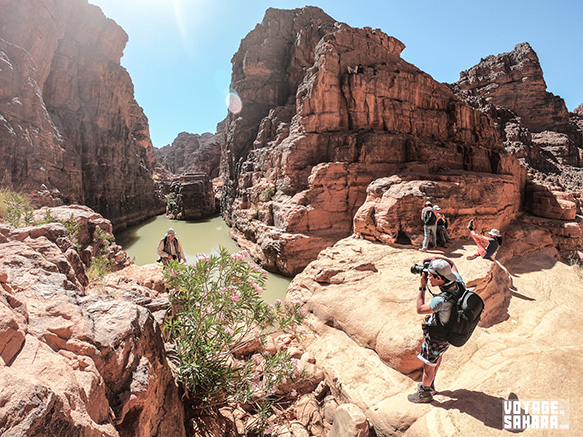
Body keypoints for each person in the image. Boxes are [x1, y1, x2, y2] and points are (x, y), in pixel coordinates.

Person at [408, 257, 465, 403]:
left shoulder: (441, 300)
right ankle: (430, 383)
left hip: (437, 338)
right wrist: (436, 259)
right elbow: (452, 264)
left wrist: (422, 286)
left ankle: (425, 392)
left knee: (429, 364)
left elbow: (420, 309)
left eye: (431, 275)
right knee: (437, 358)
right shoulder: (459, 282)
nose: (428, 277)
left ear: (439, 278)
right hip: (449, 333)